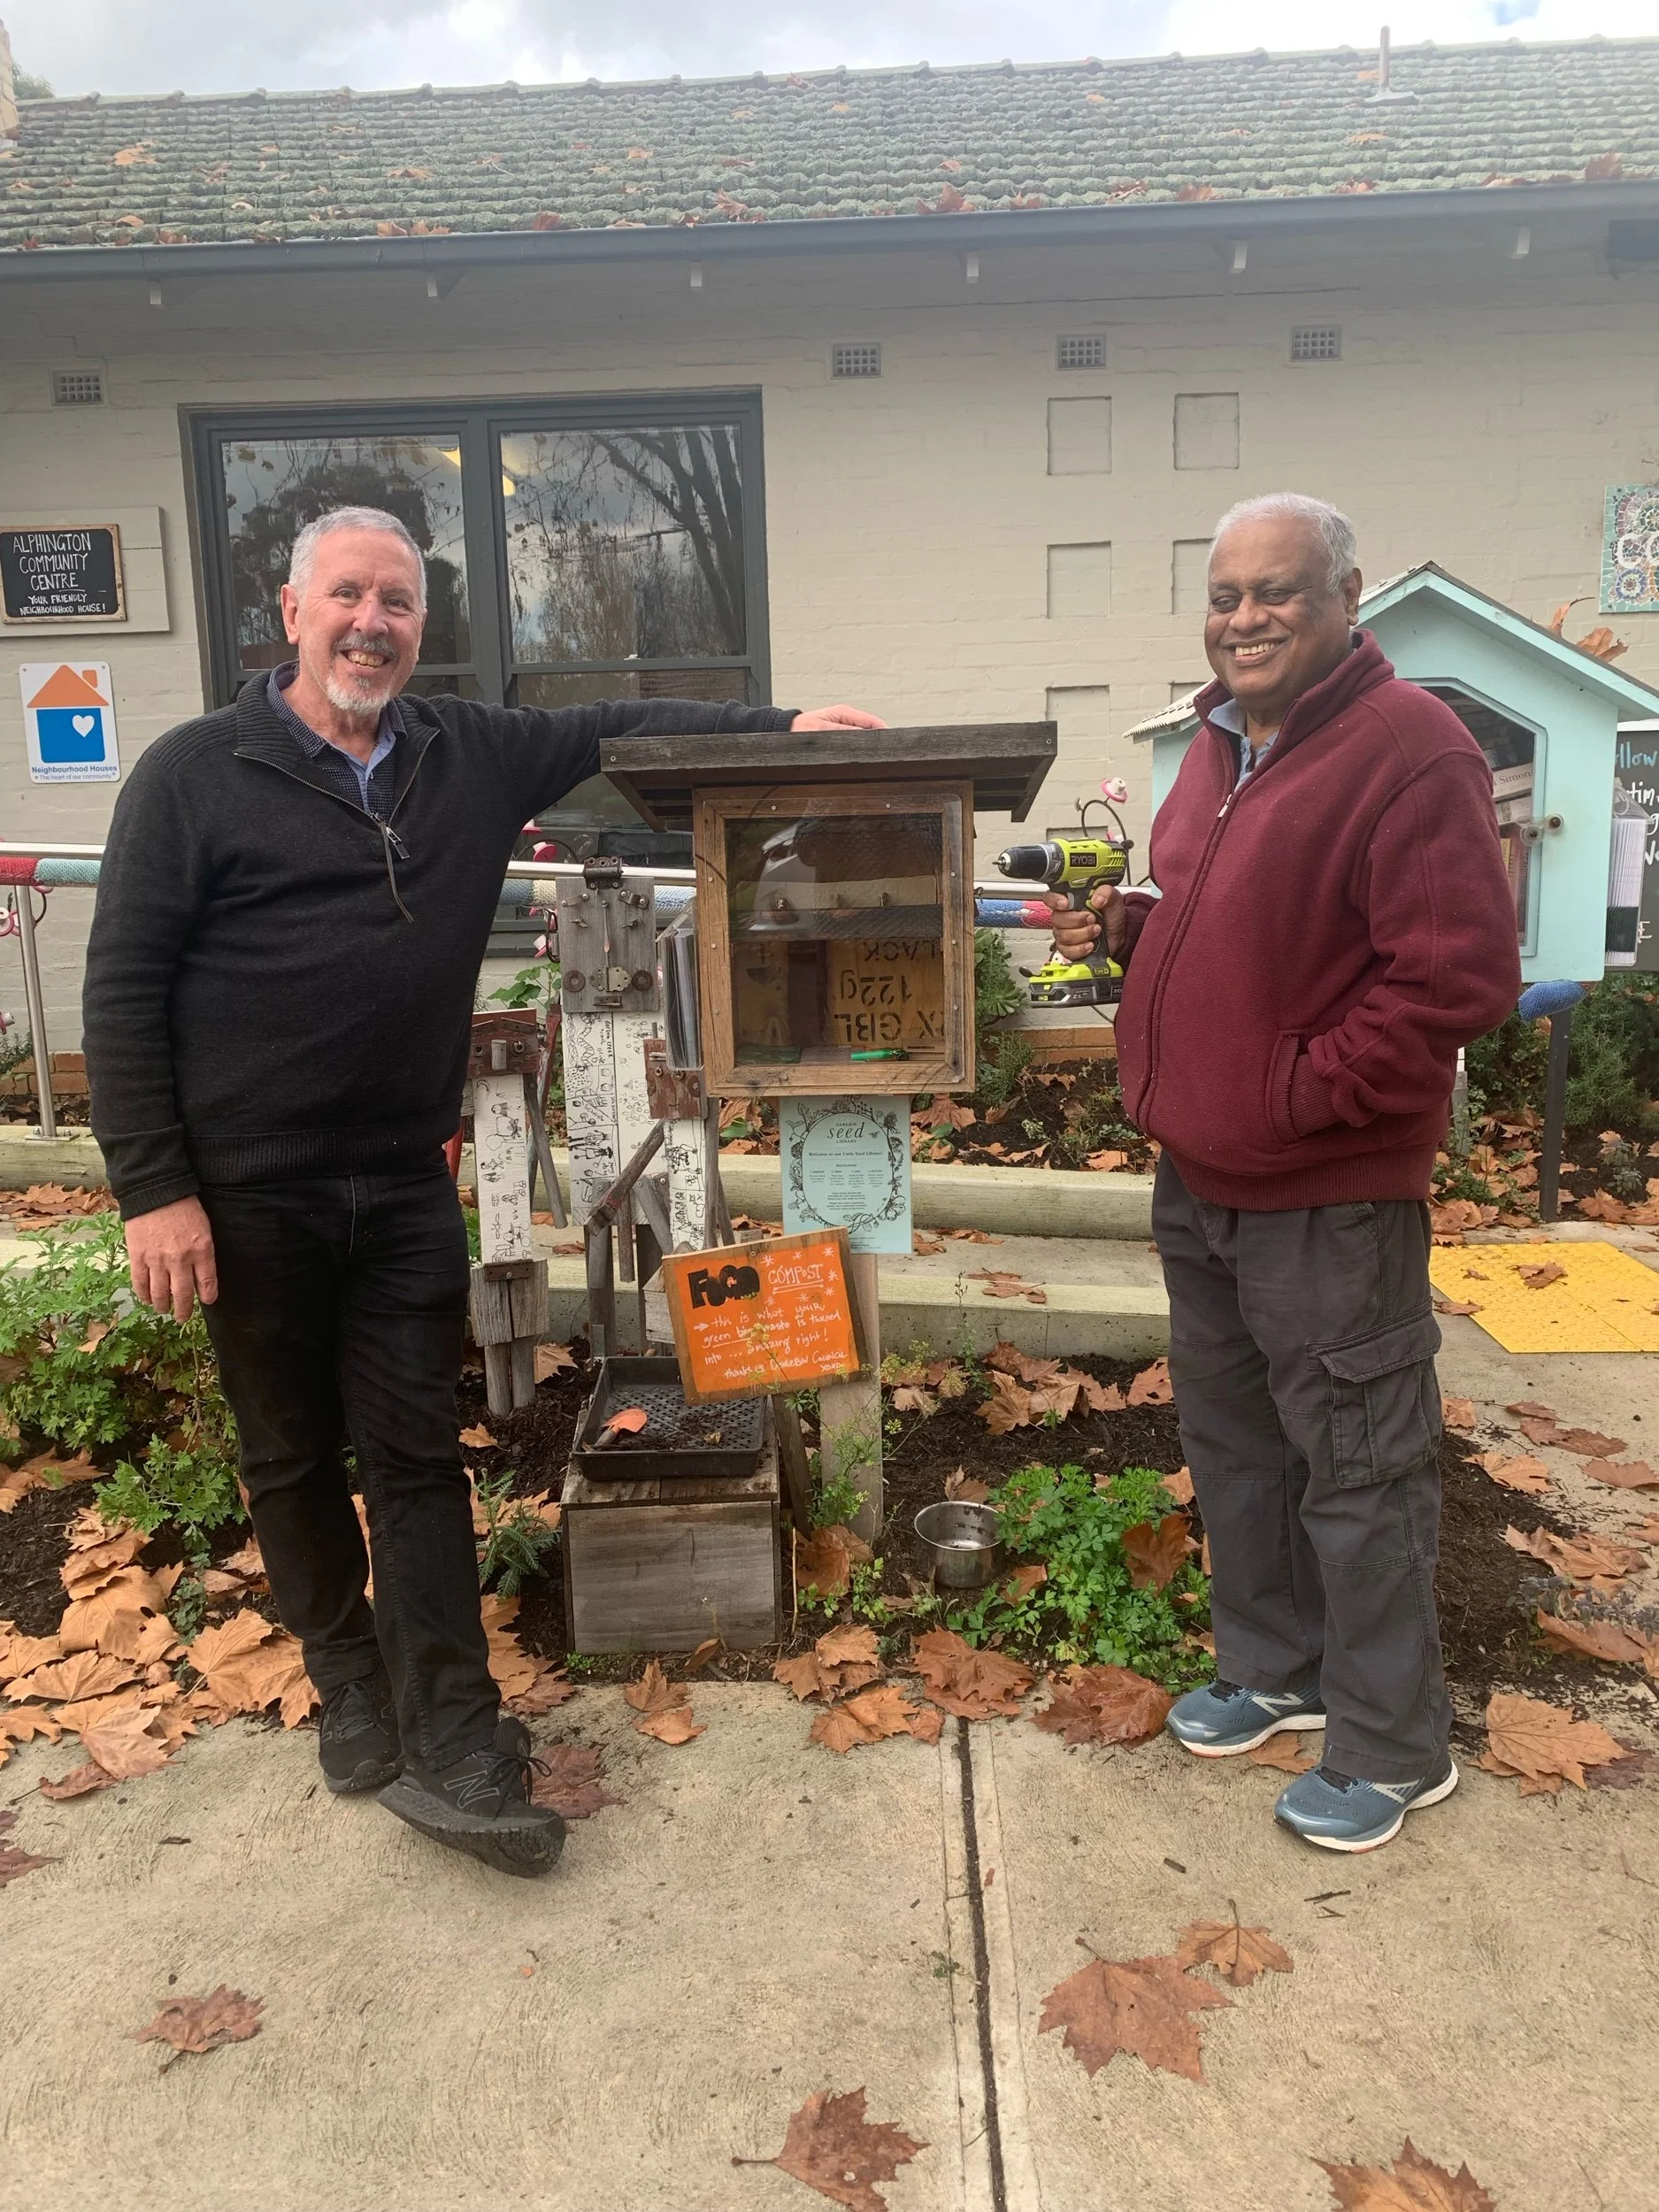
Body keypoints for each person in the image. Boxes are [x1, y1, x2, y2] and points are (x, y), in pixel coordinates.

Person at [82, 505, 881, 1878]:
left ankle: (455, 1731)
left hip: (399, 1186)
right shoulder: (190, 775)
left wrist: (787, 717)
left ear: (419, 626)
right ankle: (349, 1682)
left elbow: (615, 724)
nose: (371, 624)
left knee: (409, 1458)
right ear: (290, 611)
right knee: (287, 1454)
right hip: (244, 1193)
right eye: (346, 596)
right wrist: (155, 1187)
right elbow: (120, 992)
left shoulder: (465, 753)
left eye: (396, 603)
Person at [1049, 493, 1520, 1854]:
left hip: (1326, 1194)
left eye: (1278, 591)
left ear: (1346, 596)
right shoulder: (1214, 742)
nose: (1243, 618)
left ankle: (1389, 1744)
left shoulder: (1407, 751)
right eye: (1225, 595)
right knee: (1237, 1447)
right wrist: (1140, 930)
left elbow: (1456, 980)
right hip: (1200, 1178)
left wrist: (1295, 1094)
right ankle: (1277, 1669)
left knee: (1359, 1469)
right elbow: (1247, 924)